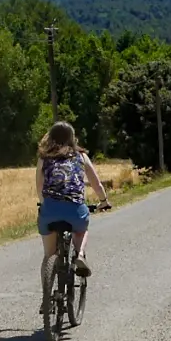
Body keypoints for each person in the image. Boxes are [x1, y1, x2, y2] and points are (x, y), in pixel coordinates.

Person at [35, 121, 110, 314]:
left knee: (49, 255)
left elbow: (39, 187)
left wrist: (47, 204)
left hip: (50, 211)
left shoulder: (44, 158)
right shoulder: (81, 156)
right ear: (72, 137)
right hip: (75, 209)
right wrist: (103, 200)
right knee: (82, 227)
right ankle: (80, 255)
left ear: (50, 137)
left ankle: (46, 298)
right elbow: (96, 183)